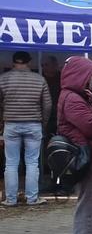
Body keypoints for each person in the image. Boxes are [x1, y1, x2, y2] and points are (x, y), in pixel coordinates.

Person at [57, 56, 92, 234]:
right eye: (91, 74)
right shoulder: (73, 99)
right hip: (89, 157)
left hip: (91, 155)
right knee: (90, 205)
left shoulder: (79, 96)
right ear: (80, 75)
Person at [1, 51, 52, 206]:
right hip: (33, 124)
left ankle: (10, 199)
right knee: (32, 162)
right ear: (29, 62)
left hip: (11, 124)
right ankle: (32, 198)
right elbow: (48, 105)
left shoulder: (3, 79)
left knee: (11, 163)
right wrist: (43, 122)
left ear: (13, 62)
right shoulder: (39, 79)